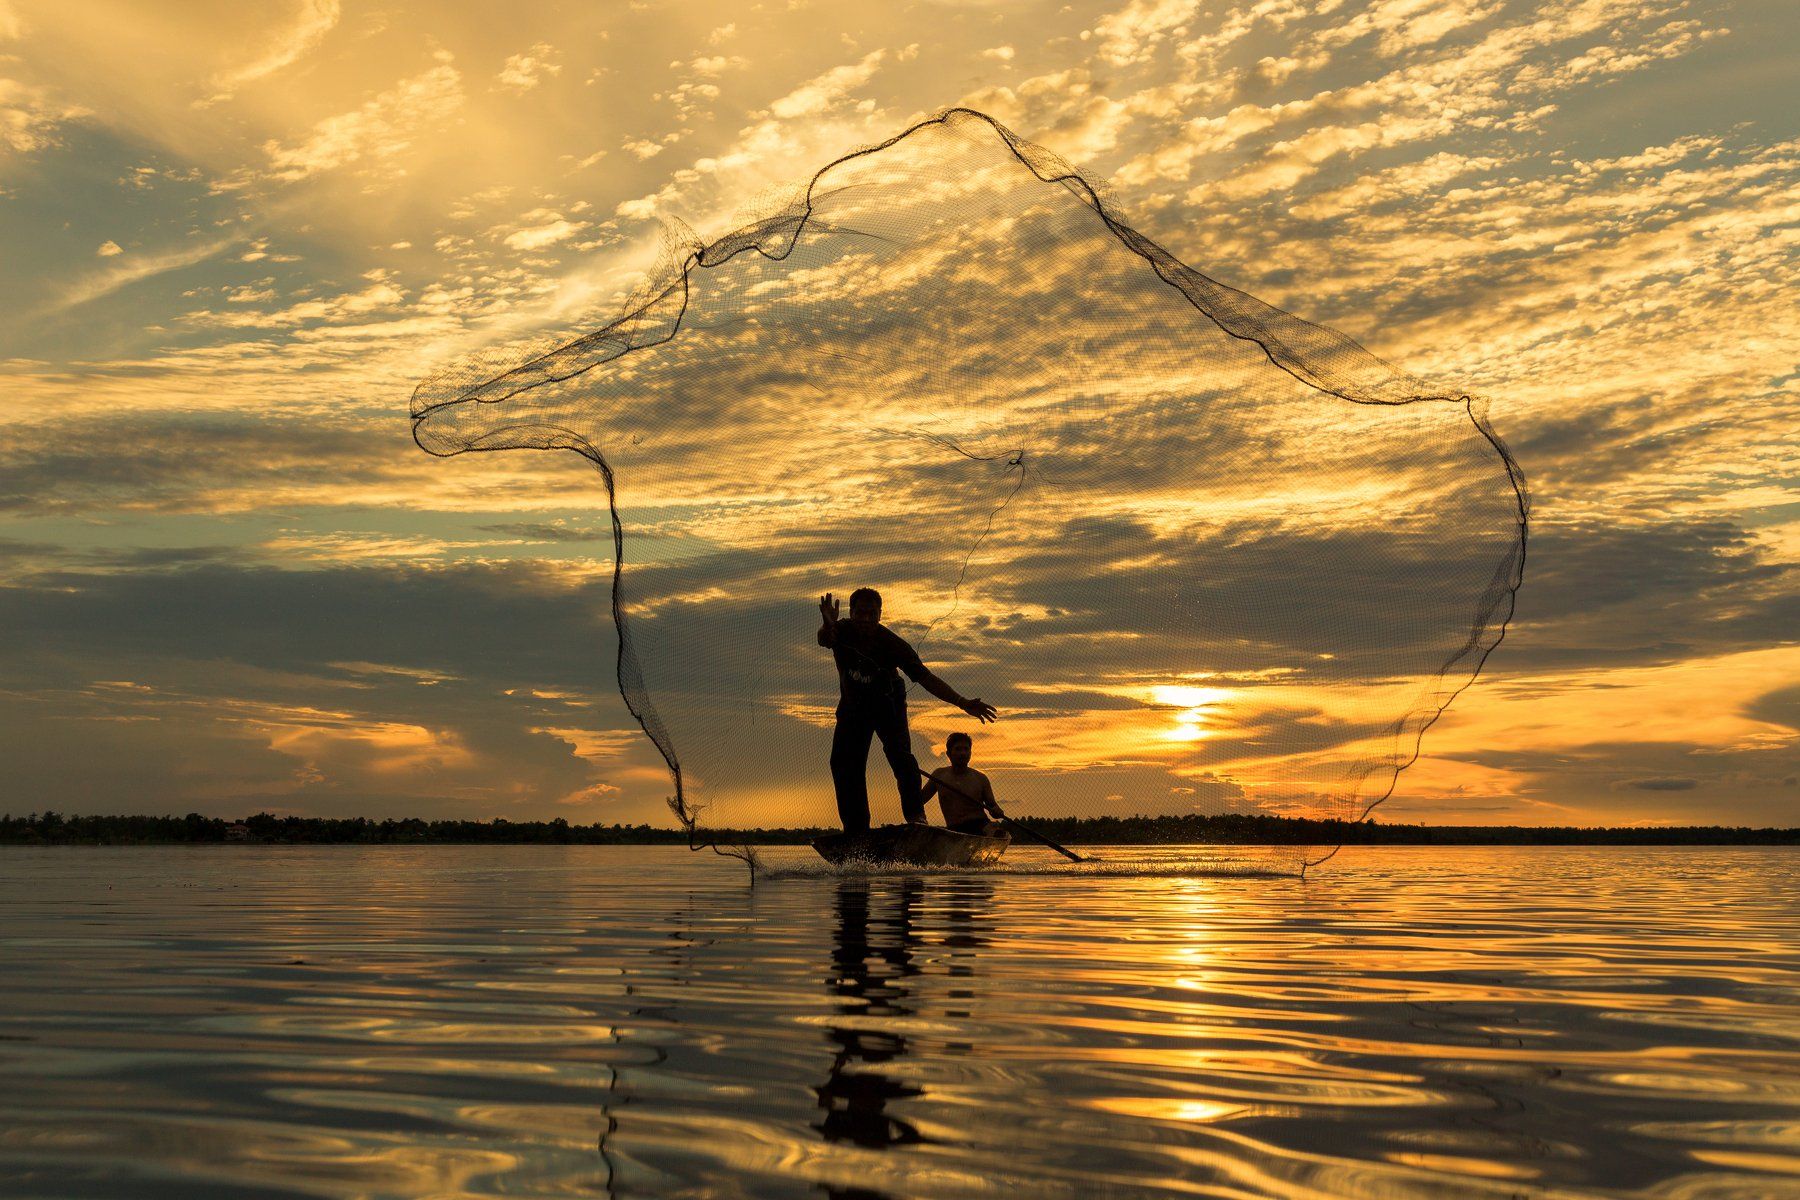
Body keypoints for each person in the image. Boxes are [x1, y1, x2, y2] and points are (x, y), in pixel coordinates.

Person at [818, 588, 997, 833]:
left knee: (901, 758)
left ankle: (916, 818)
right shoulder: (840, 630)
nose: (866, 620)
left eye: (872, 614)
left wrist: (962, 702)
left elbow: (926, 678)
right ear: (852, 612)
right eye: (860, 613)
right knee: (843, 763)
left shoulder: (893, 644)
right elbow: (824, 639)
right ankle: (856, 829)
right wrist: (828, 625)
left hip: (888, 704)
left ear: (880, 614)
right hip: (853, 709)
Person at [920, 732, 1007, 834]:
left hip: (980, 826)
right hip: (954, 830)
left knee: (994, 832)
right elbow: (919, 801)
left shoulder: (981, 778)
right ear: (948, 754)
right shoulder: (939, 775)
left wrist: (997, 811)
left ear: (970, 753)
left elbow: (993, 806)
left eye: (966, 749)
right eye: (958, 749)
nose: (963, 753)